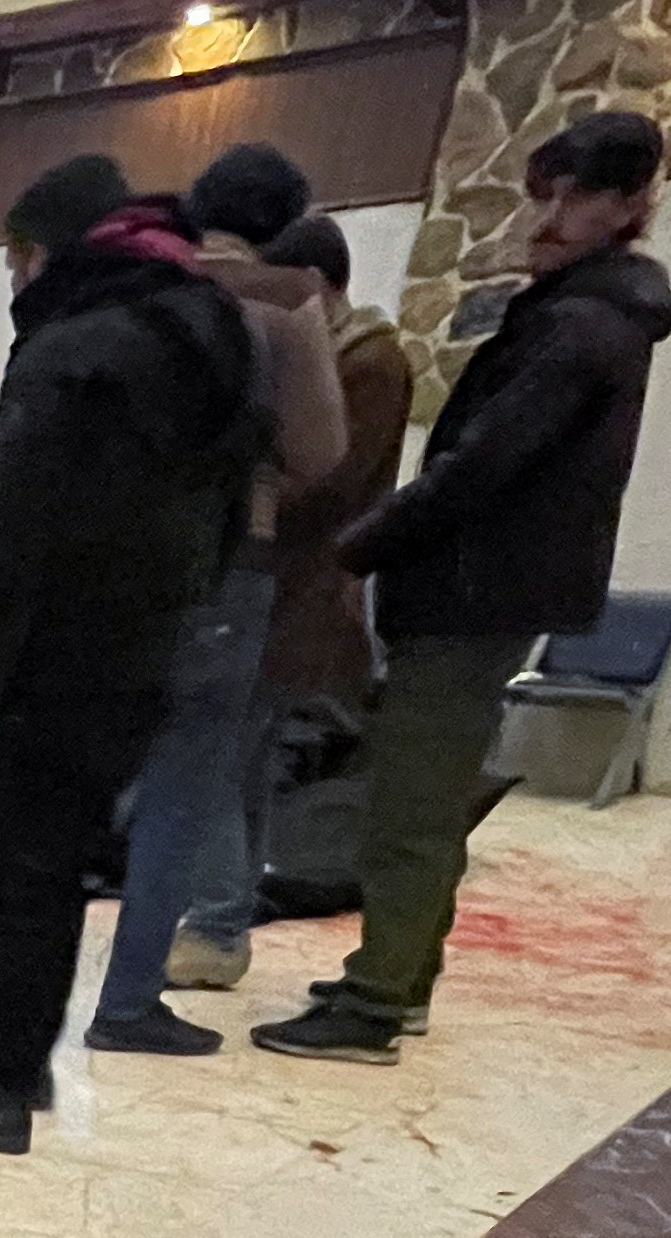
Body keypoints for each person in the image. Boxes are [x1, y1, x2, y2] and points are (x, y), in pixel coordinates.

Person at [254, 110, 671, 1063]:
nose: (550, 218)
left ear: (628, 206)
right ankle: (401, 976)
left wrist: (358, 549)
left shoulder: (581, 326)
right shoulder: (584, 313)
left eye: (579, 198)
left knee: (409, 804)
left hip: (475, 591)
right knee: (425, 794)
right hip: (485, 586)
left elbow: (479, 468)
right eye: (546, 195)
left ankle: (373, 1005)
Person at [0, 156, 263, 1155]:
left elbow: (12, 539)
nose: (13, 281)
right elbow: (237, 505)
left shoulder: (73, 350)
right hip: (146, 647)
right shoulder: (213, 334)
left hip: (46, 660)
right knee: (59, 868)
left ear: (39, 251)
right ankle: (20, 1054)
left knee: (20, 880)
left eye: (13, 261)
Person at [93, 146, 350, 1051]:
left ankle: (17, 1007)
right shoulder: (283, 306)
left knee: (78, 777)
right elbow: (321, 451)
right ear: (283, 222)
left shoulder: (128, 288)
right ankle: (127, 1001)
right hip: (230, 562)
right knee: (182, 790)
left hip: (118, 566)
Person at [253, 209, 416, 905]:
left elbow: (330, 479)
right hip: (285, 570)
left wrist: (247, 498)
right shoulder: (324, 357)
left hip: (320, 575)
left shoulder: (370, 361)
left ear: (314, 281)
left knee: (291, 738)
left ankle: (273, 867)